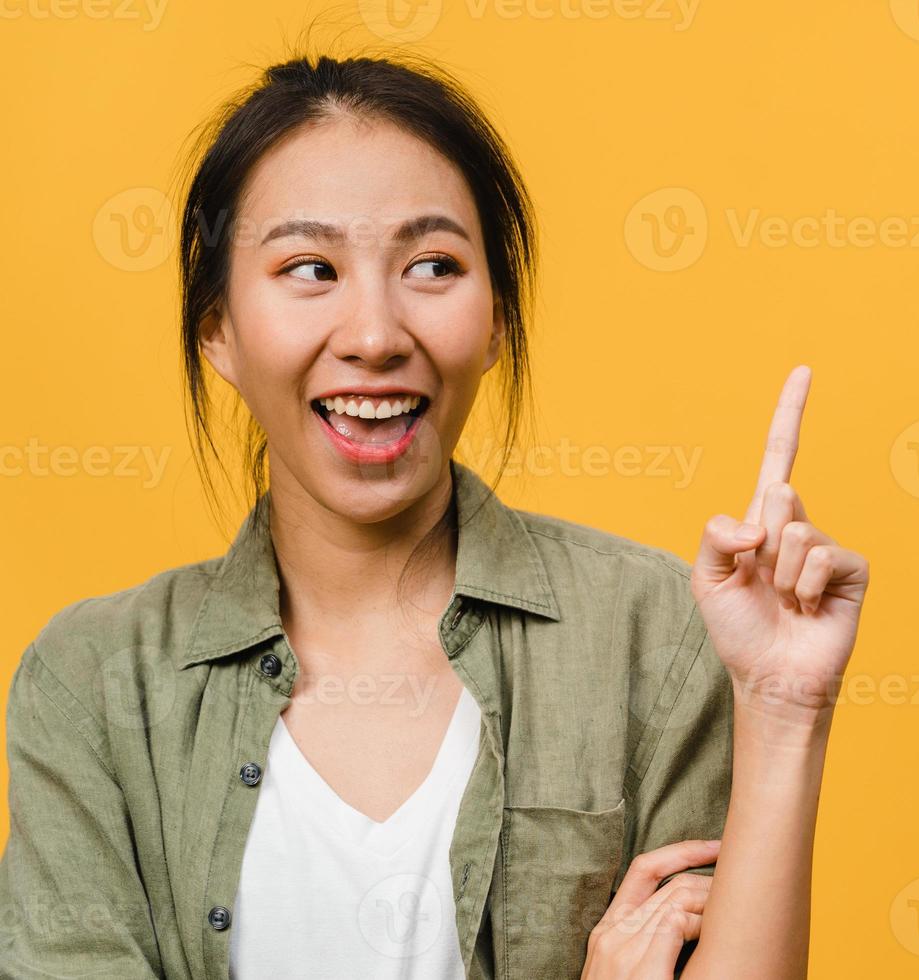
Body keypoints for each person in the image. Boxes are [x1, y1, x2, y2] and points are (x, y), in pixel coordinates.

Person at [0, 51, 869, 980]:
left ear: (496, 317)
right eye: (308, 267)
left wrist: (784, 713)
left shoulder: (660, 635)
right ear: (217, 328)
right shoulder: (92, 683)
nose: (375, 336)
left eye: (431, 264)